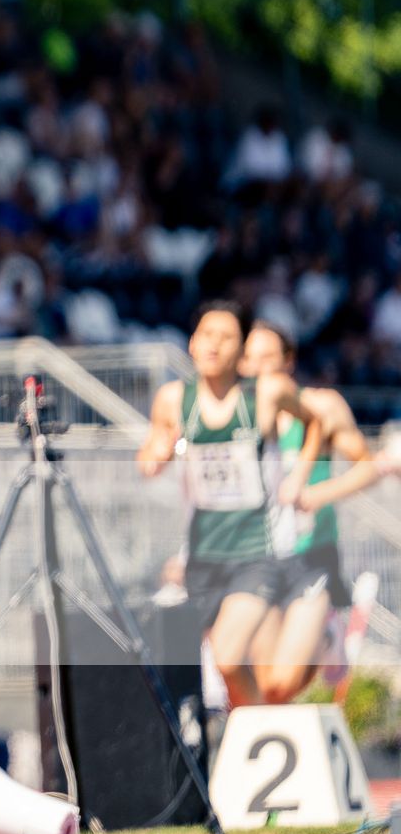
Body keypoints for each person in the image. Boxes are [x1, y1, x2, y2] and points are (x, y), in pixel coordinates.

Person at [137, 301, 320, 710]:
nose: (214, 345)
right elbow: (149, 454)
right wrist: (158, 454)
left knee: (227, 652)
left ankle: (255, 736)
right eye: (206, 335)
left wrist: (299, 475)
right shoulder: (172, 399)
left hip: (258, 552)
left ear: (242, 351)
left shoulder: (267, 394)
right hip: (204, 555)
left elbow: (315, 422)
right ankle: (259, 727)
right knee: (248, 674)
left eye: (226, 338)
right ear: (191, 343)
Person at [238, 323, 379, 703]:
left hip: (311, 554)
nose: (260, 367)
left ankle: (325, 632)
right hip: (258, 557)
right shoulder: (239, 416)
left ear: (289, 360)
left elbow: (367, 465)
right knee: (266, 686)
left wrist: (317, 493)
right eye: (250, 358)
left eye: (269, 357)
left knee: (280, 682)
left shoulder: (322, 405)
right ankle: (324, 642)